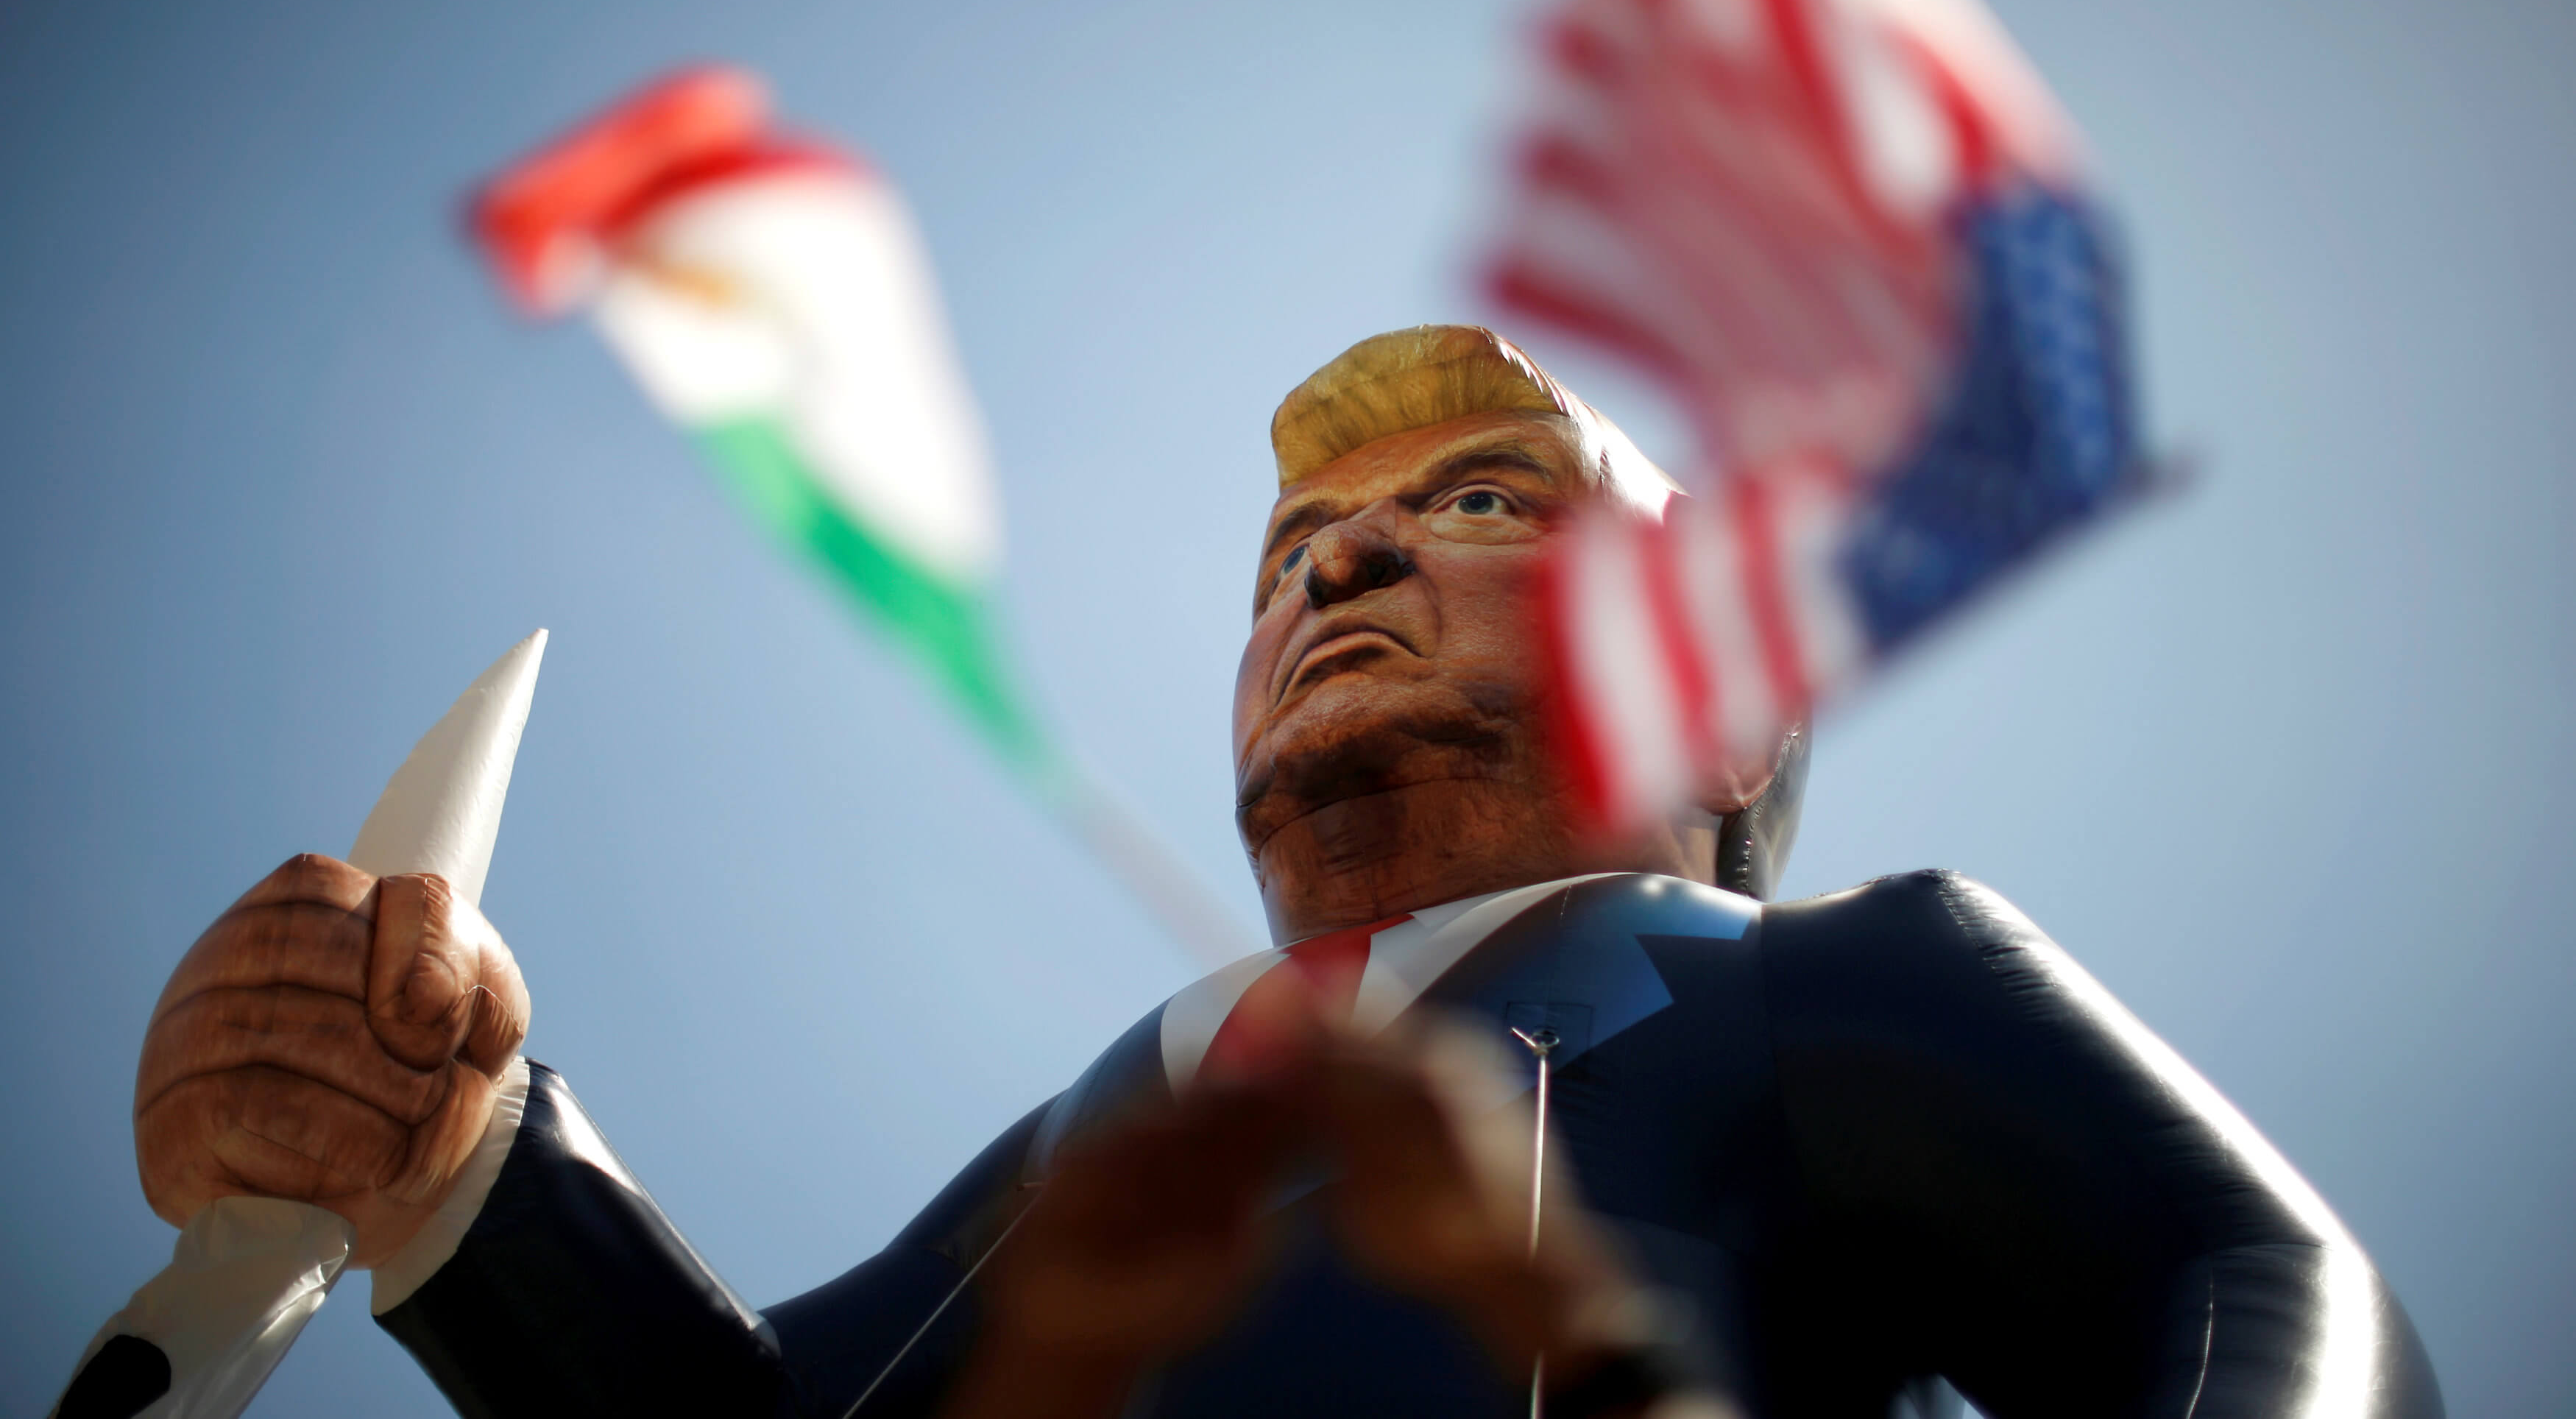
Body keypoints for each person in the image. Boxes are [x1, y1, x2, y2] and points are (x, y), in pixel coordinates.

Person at [127, 326, 2444, 1416]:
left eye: (1483, 506)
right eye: (1291, 554)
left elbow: (2247, 1287)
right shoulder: (1090, 1141)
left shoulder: (1827, 985)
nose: (1336, 557)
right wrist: (457, 1173)